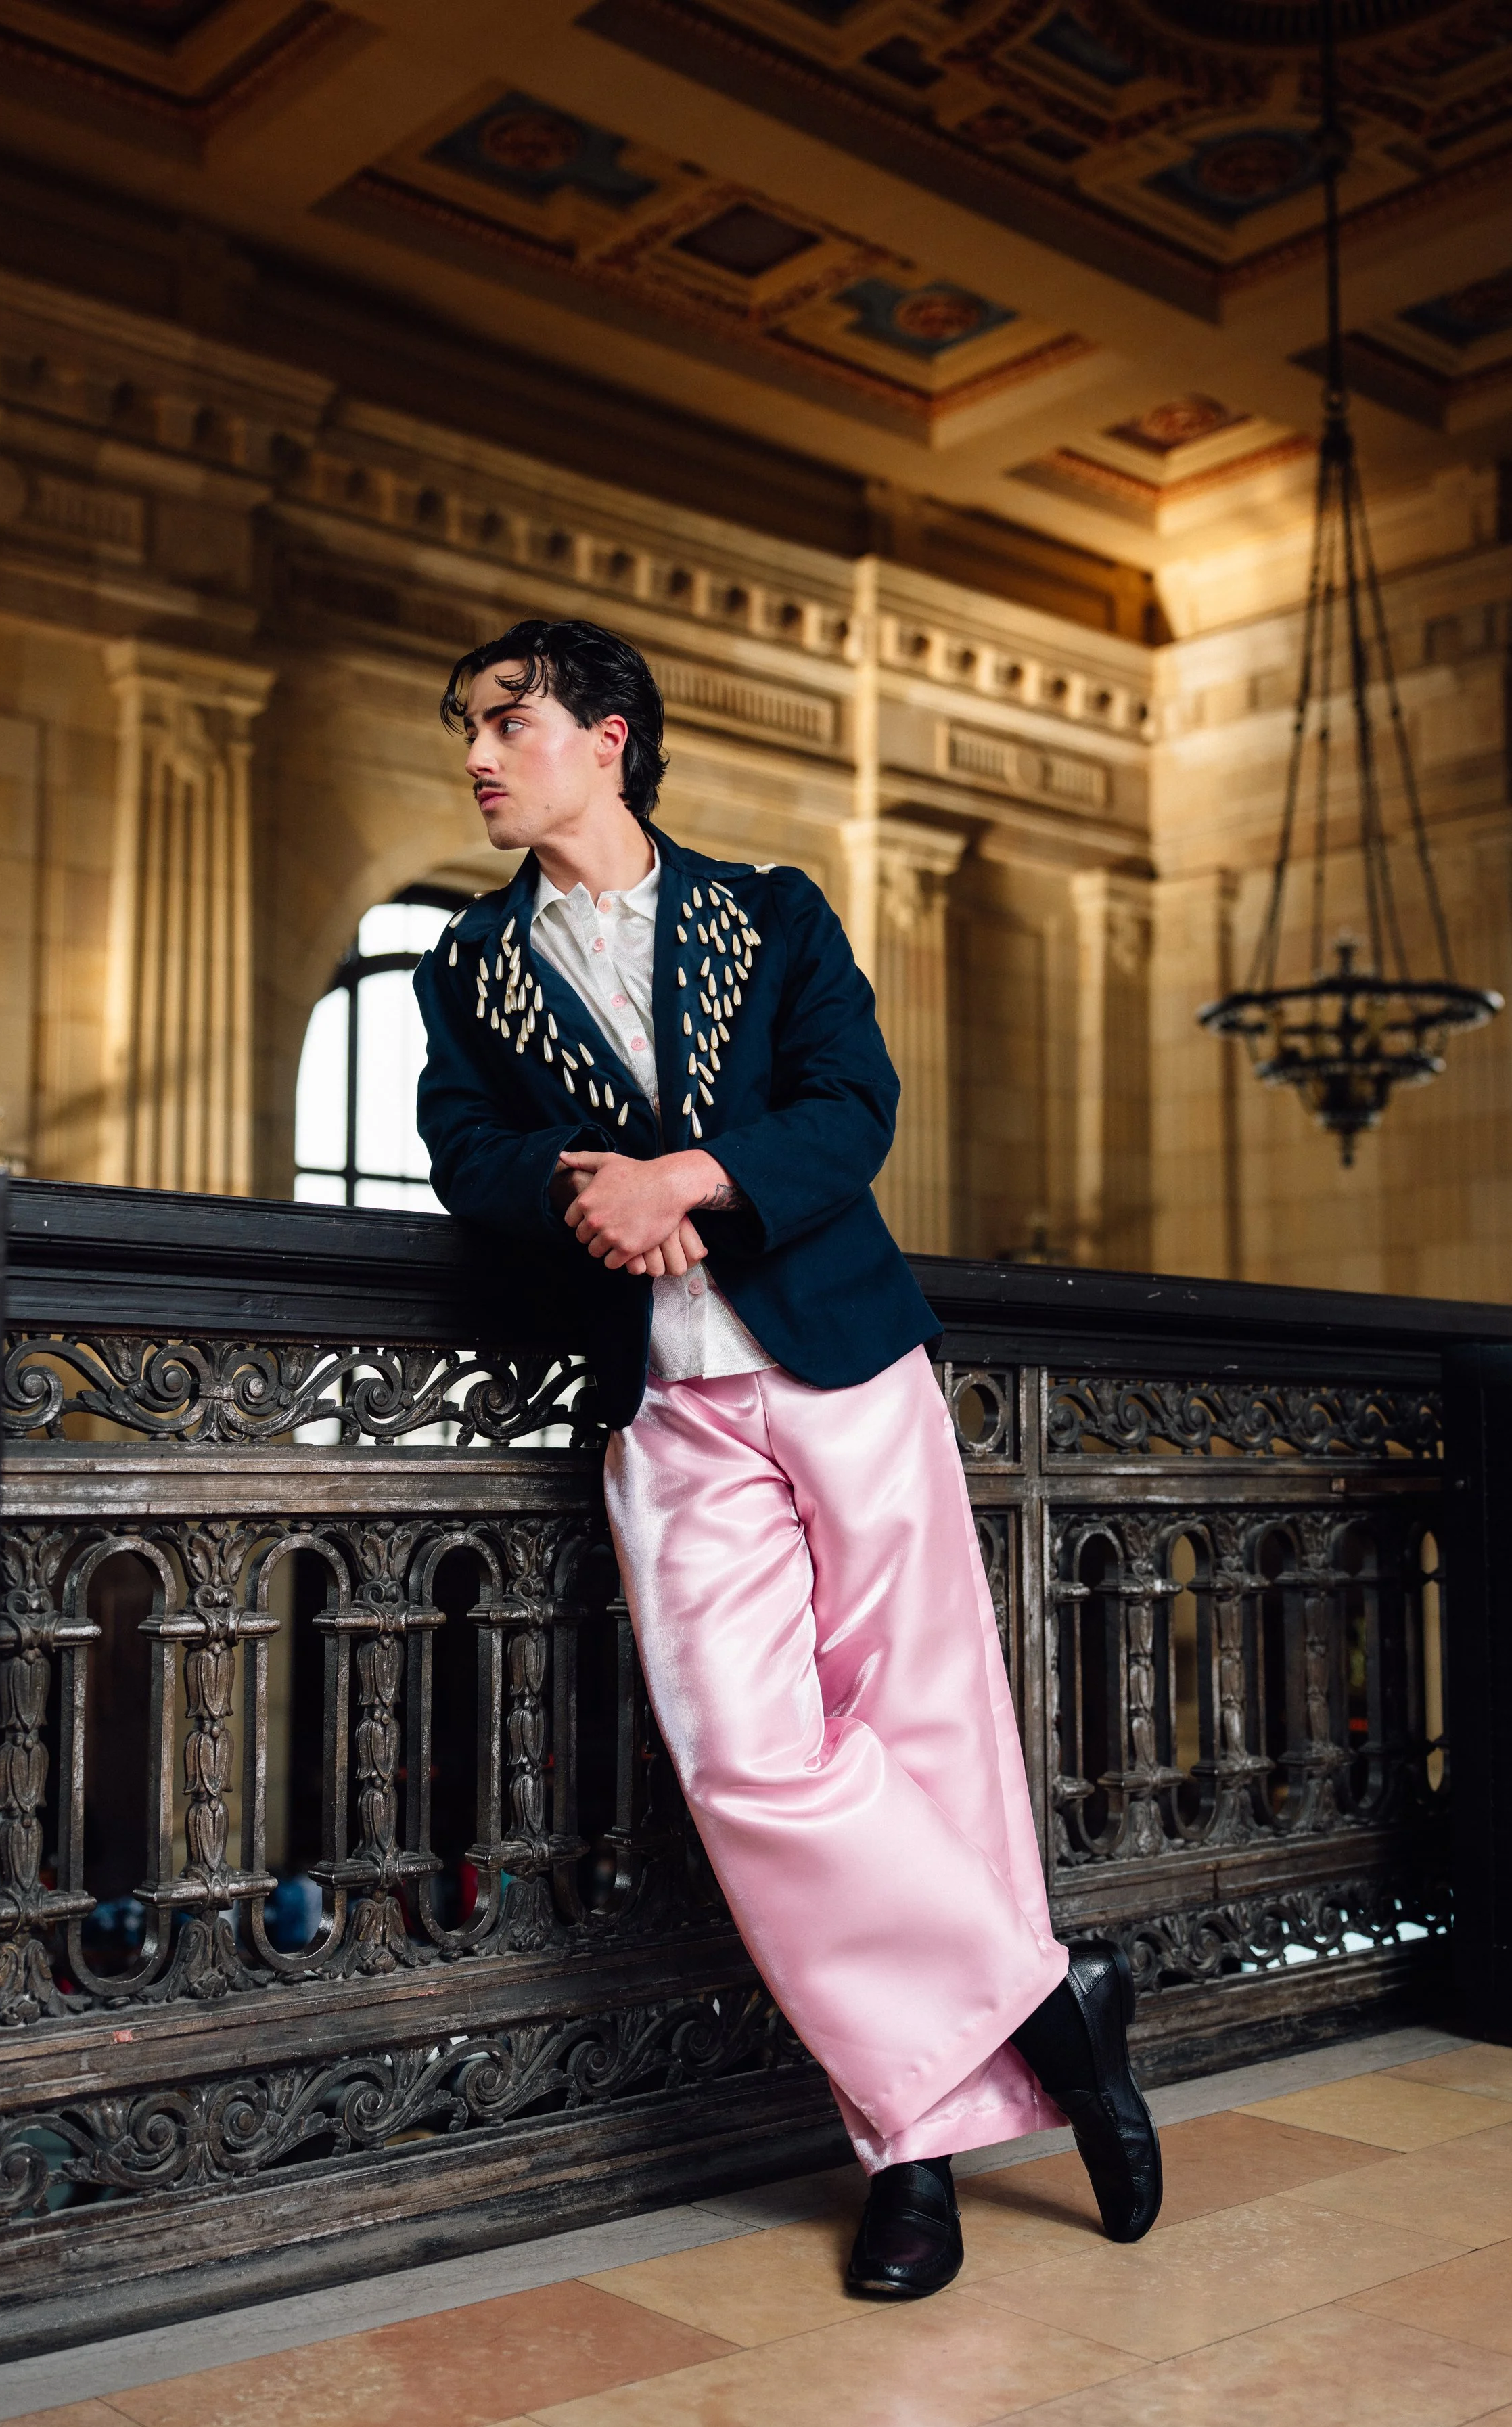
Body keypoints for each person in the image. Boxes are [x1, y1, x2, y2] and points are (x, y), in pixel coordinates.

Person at [414, 617, 1161, 2296]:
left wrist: (688, 1179)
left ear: (607, 738)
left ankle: (911, 2158)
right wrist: (584, 1191)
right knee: (749, 1762)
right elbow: (464, 1147)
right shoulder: (462, 965)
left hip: (842, 1359)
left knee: (927, 1734)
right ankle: (1054, 2001)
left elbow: (848, 1104)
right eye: (468, 728)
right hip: (664, 1403)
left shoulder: (769, 911)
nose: (477, 755)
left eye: (507, 722)